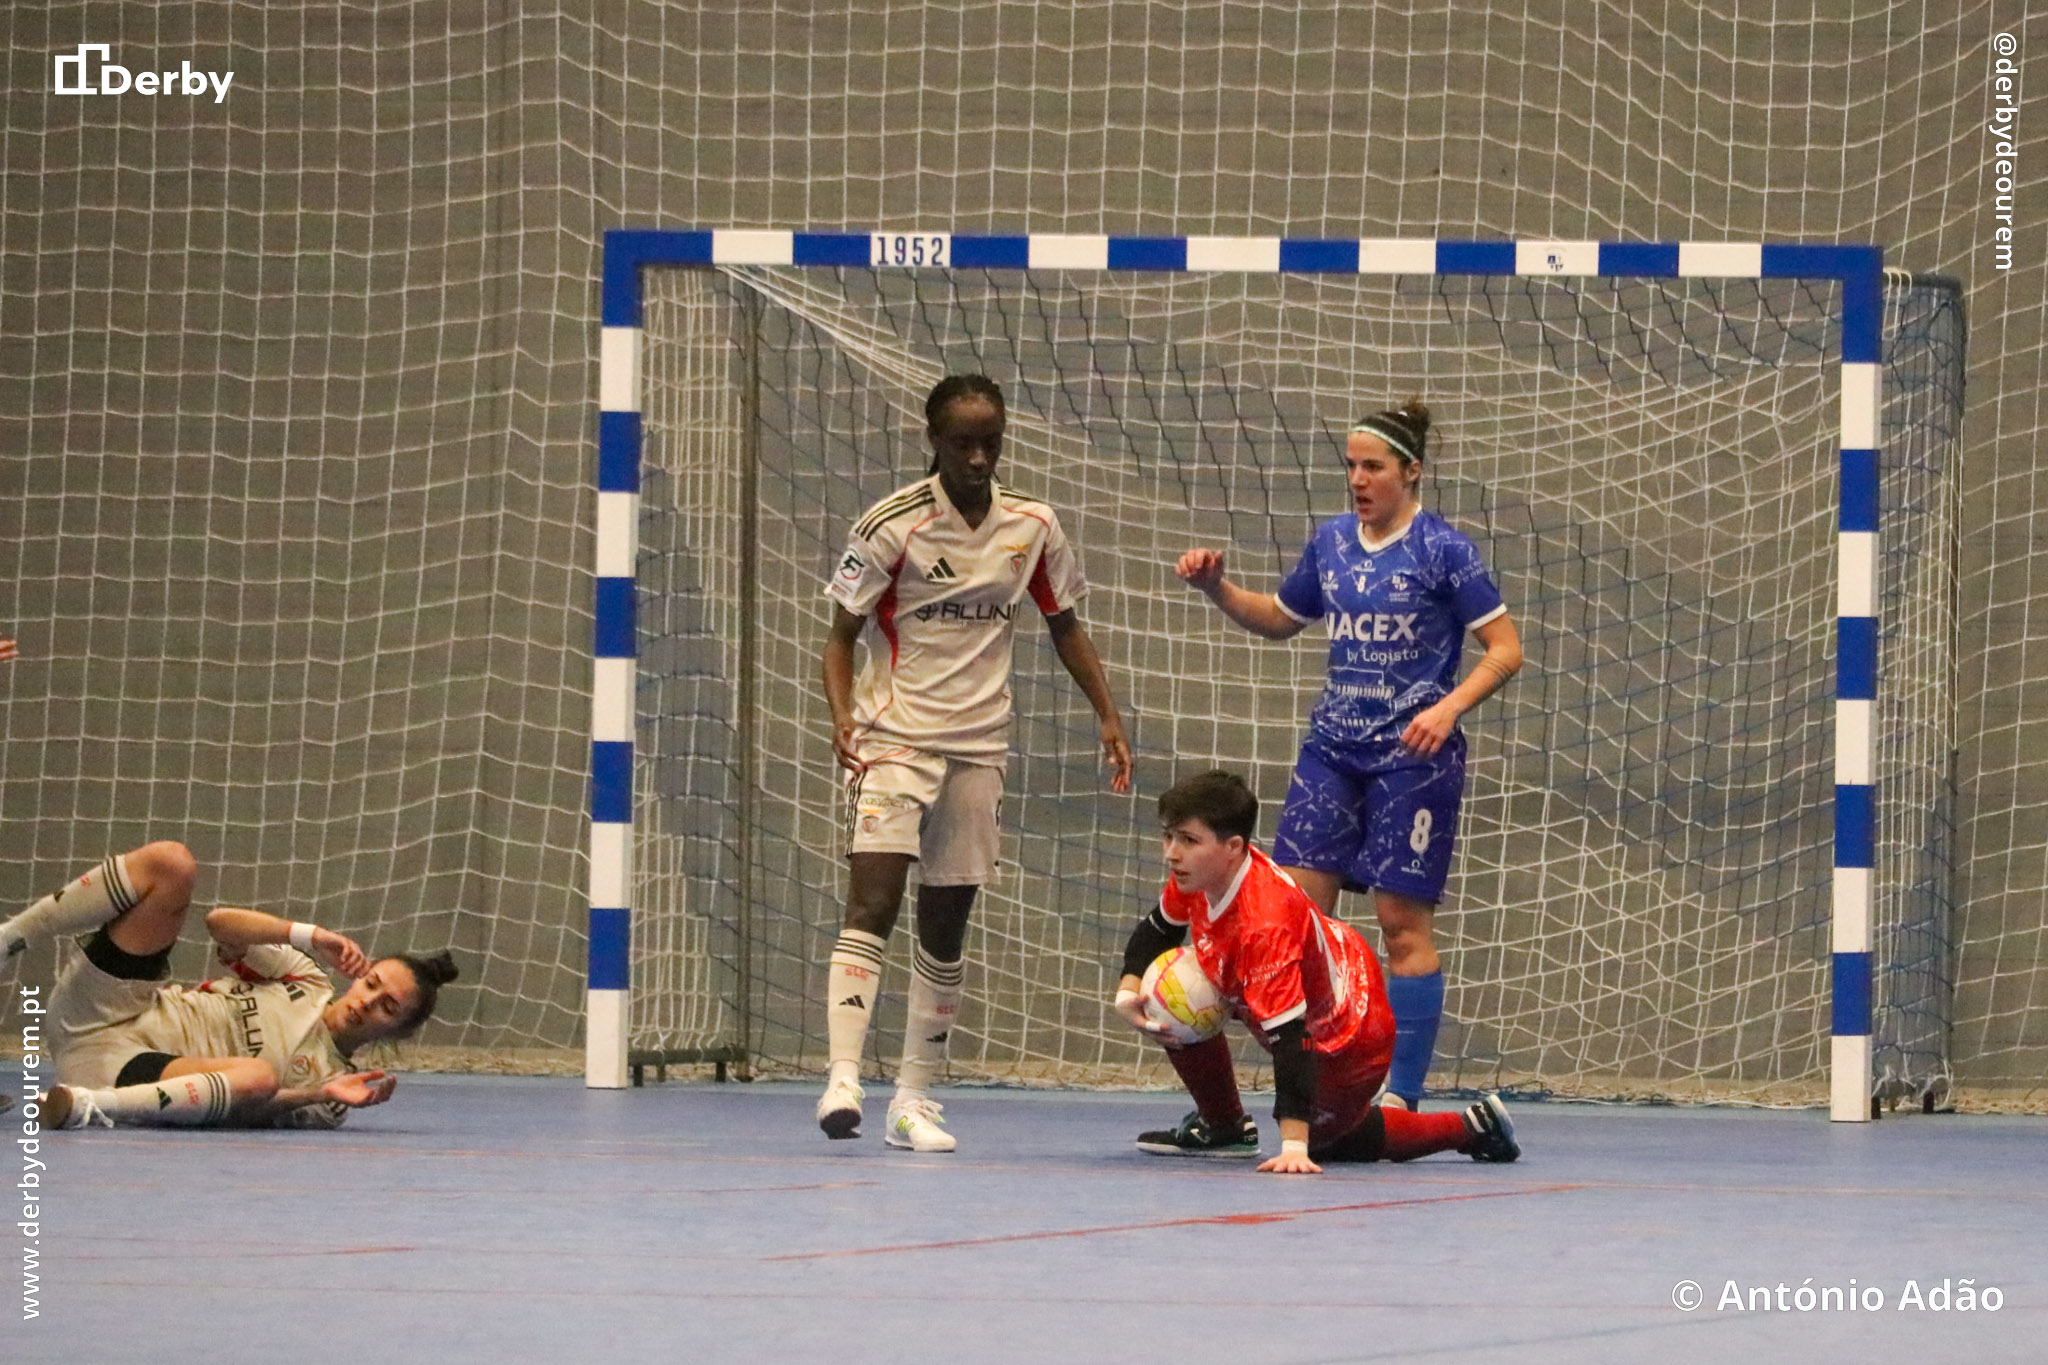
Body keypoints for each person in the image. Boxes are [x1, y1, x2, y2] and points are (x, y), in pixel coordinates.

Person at [1173, 400, 1521, 1110]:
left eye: (1373, 466)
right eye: (1351, 466)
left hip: (1410, 759)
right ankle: (1318, 1090)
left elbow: (1506, 650)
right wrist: (1218, 589)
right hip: (1331, 751)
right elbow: (1278, 619)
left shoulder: (1444, 551)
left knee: (1401, 927)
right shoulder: (1332, 541)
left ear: (1411, 471)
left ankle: (1402, 1096)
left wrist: (1448, 706)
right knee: (1297, 924)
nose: (1358, 479)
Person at [817, 373, 1133, 1152]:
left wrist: (1108, 713)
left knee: (947, 921)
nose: (980, 456)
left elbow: (1064, 624)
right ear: (934, 440)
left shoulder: (1033, 526)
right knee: (875, 901)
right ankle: (843, 1076)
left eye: (992, 441)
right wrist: (841, 718)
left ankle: (914, 1100)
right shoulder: (893, 525)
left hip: (979, 744)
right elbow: (839, 636)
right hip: (894, 736)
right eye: (964, 442)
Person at [1112, 770, 1517, 1171]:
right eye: (1169, 836)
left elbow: (1292, 1040)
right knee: (1174, 994)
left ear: (1232, 846)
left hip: (1350, 1033)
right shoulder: (1199, 875)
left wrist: (1293, 1146)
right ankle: (1224, 1127)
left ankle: (1471, 1128)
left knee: (1336, 1141)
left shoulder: (1263, 924)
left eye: (1187, 840)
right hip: (1326, 963)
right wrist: (1129, 993)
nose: (1171, 852)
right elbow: (1159, 930)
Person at [0, 841, 457, 1129]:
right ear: (359, 975)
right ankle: (8, 939)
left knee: (259, 1077)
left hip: (121, 1071)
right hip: (108, 1008)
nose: (368, 1001)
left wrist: (319, 1094)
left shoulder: (338, 1086)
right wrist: (308, 935)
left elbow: (247, 1110)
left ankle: (84, 1107)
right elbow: (221, 925)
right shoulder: (305, 977)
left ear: (397, 1032)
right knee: (171, 865)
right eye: (372, 984)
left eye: (388, 1007)